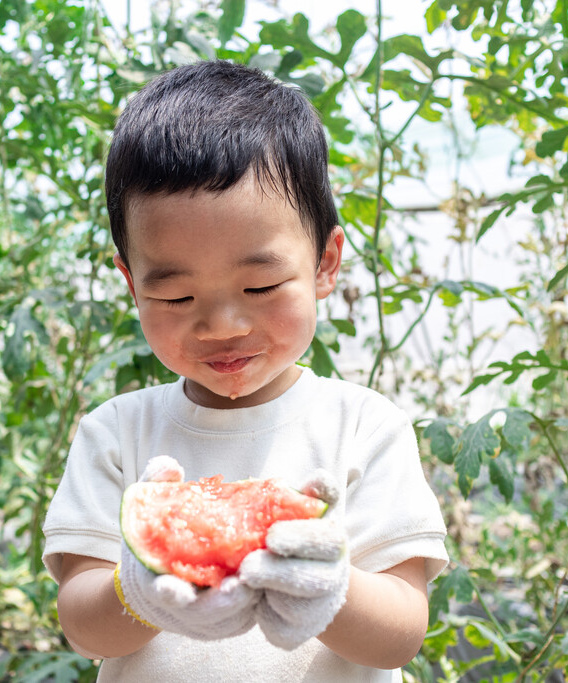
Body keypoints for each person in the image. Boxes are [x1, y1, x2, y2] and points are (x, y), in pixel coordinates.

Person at [42, 59, 448, 681]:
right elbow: (81, 622)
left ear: (324, 263)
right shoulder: (115, 433)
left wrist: (329, 590)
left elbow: (401, 635)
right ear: (131, 284)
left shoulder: (365, 426)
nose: (222, 326)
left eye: (261, 284)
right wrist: (138, 590)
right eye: (176, 298)